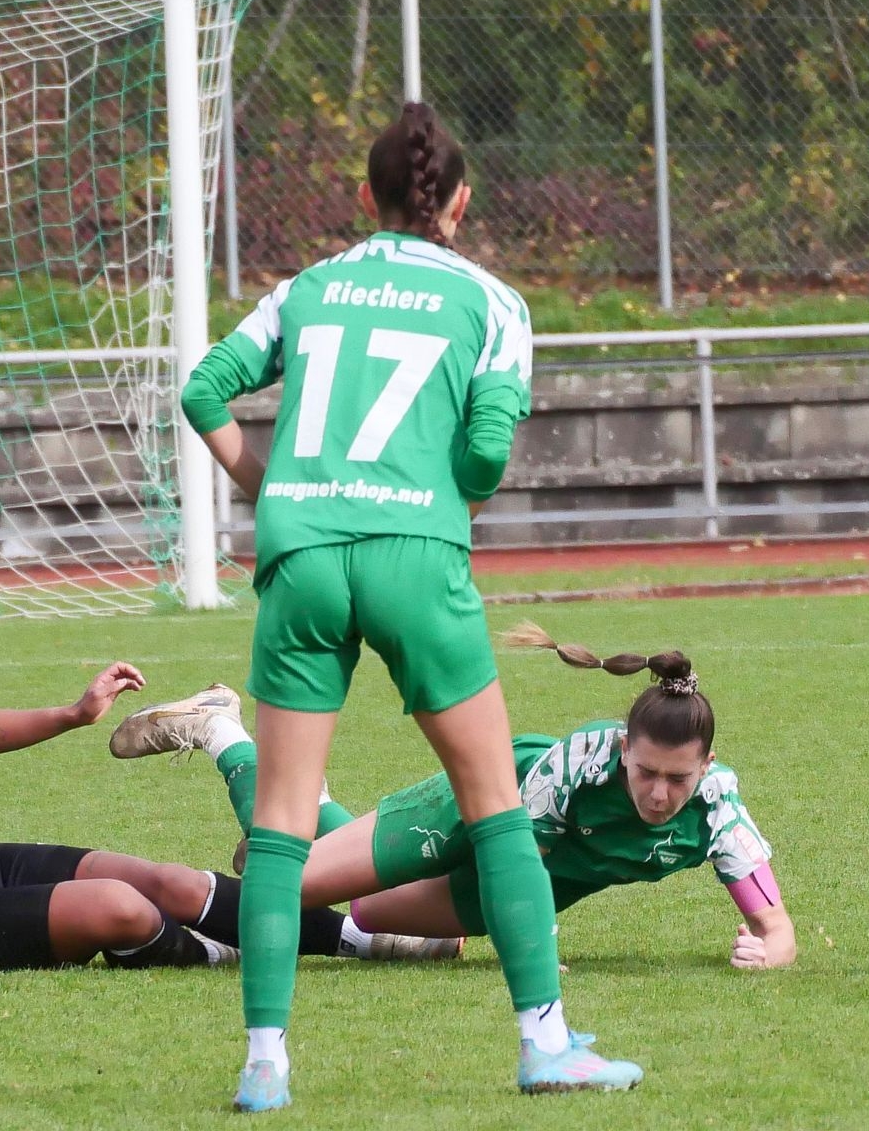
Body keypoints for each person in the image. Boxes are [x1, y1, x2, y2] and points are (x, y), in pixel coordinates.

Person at [180, 102, 637, 1111]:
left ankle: (265, 1064)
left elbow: (204, 388)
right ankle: (545, 1043)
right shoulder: (494, 301)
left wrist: (275, 487)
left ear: (366, 196)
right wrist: (437, 501)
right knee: (494, 804)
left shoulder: (306, 288)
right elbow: (484, 455)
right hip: (416, 557)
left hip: (301, 554)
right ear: (460, 201)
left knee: (282, 827)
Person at [0, 541, 442, 975]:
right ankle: (211, 954)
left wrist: (73, 712)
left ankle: (361, 939)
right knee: (121, 907)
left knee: (165, 880)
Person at [108, 625, 795, 971]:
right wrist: (535, 948)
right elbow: (516, 859)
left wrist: (768, 954)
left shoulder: (719, 812)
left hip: (515, 883)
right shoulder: (579, 763)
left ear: (706, 767)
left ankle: (310, 807)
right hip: (474, 812)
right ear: (623, 749)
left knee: (369, 914)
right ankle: (221, 730)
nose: (660, 792)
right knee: (287, 881)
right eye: (646, 772)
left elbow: (778, 929)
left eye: (678, 779)